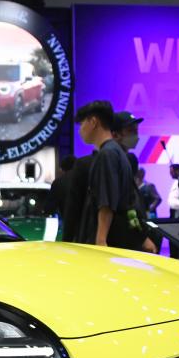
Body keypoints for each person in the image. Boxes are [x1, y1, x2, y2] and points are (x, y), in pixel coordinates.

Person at [73, 101, 146, 250]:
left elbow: (106, 201)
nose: (80, 131)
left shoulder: (107, 154)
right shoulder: (117, 152)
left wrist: (101, 240)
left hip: (110, 240)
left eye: (81, 124)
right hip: (119, 238)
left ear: (93, 122)